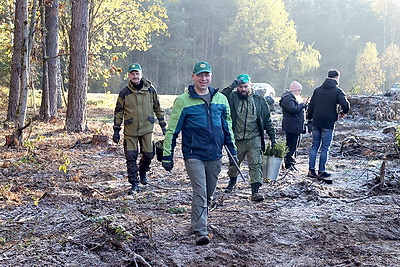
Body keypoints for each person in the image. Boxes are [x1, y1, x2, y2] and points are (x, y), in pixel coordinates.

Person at [161, 61, 237, 246]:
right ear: (193, 77)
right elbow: (172, 130)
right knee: (201, 192)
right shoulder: (183, 101)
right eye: (200, 75)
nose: (203, 79)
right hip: (194, 154)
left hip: (215, 155)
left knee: (209, 192)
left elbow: (227, 128)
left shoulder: (221, 99)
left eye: (207, 75)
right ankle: (200, 230)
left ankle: (199, 218)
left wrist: (233, 151)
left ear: (211, 77)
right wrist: (167, 155)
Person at [113, 63, 167, 194]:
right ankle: (134, 183)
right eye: (132, 74)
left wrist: (163, 125)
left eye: (137, 73)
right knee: (131, 157)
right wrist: (116, 130)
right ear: (129, 76)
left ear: (141, 74)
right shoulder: (124, 93)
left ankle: (143, 171)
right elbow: (118, 111)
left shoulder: (150, 90)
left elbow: (158, 108)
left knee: (149, 154)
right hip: (130, 131)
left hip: (147, 128)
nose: (135, 76)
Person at [221, 74, 276, 202]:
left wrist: (272, 137)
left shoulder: (259, 100)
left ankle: (255, 191)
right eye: (240, 87)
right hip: (237, 138)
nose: (243, 89)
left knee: (256, 163)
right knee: (234, 163)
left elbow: (267, 120)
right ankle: (232, 181)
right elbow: (222, 97)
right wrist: (231, 87)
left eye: (245, 86)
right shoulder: (232, 97)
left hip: (254, 137)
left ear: (250, 85)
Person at [306, 69, 350, 183]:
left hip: (316, 121)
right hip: (328, 123)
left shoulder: (317, 90)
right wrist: (343, 113)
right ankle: (321, 171)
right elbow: (346, 105)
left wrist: (309, 119)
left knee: (314, 146)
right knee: (325, 147)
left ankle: (311, 170)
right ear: (337, 78)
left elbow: (311, 106)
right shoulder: (337, 91)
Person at [279, 81, 308, 172]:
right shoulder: (288, 98)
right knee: (291, 146)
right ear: (295, 90)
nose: (299, 92)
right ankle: (288, 164)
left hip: (296, 126)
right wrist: (302, 104)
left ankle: (292, 163)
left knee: (295, 145)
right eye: (299, 90)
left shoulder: (291, 97)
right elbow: (292, 110)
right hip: (292, 126)